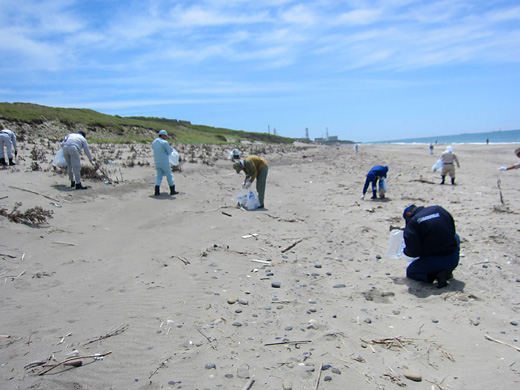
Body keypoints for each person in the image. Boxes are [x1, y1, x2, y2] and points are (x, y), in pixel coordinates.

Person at [402, 205, 460, 288]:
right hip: (453, 260)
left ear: (408, 214)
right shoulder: (439, 209)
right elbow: (452, 230)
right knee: (456, 237)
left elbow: (413, 252)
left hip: (433, 262)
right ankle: (448, 272)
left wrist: (405, 251)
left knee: (411, 272)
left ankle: (435, 276)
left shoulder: (414, 222)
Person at [152, 130, 179, 196]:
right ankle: (172, 190)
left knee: (159, 176)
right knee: (169, 175)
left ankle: (157, 191)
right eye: (165, 136)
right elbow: (169, 151)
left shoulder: (154, 142)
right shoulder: (164, 142)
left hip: (157, 161)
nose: (166, 137)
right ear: (163, 135)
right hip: (164, 161)